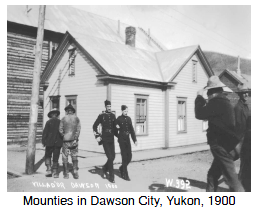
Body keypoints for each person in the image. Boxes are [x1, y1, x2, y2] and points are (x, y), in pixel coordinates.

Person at [195, 76, 244, 192]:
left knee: (232, 180)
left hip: (221, 146)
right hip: (229, 146)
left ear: (212, 92)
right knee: (212, 175)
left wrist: (199, 97)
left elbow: (199, 114)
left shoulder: (216, 102)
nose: (207, 96)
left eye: (208, 93)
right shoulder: (225, 103)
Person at [93, 100, 117, 183]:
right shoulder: (102, 116)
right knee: (110, 157)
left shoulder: (113, 116)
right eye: (108, 107)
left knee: (113, 156)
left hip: (111, 139)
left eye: (110, 106)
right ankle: (111, 177)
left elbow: (115, 128)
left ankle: (104, 168)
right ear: (105, 107)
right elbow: (94, 126)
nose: (109, 108)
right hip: (105, 139)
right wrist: (97, 136)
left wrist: (120, 136)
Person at [234, 83, 251, 191]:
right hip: (243, 140)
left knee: (247, 165)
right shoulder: (238, 108)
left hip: (248, 139)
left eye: (247, 93)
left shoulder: (246, 106)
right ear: (240, 95)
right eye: (243, 93)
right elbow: (238, 127)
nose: (246, 95)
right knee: (245, 165)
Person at [116, 105, 138, 181]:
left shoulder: (129, 119)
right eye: (125, 111)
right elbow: (114, 127)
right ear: (122, 111)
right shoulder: (119, 119)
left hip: (127, 139)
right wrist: (116, 128)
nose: (126, 112)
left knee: (130, 156)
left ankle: (121, 168)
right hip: (121, 139)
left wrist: (134, 140)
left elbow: (131, 130)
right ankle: (125, 175)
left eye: (127, 111)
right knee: (124, 157)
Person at [59, 104, 81, 179]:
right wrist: (75, 138)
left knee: (65, 156)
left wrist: (63, 136)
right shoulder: (77, 118)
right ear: (73, 111)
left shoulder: (63, 119)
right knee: (74, 155)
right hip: (74, 140)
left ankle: (66, 173)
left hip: (66, 140)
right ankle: (75, 172)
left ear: (67, 111)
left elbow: (60, 129)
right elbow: (78, 129)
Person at [42, 108, 63, 178]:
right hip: (58, 143)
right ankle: (55, 172)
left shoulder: (48, 122)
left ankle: (48, 170)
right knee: (56, 157)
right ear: (56, 115)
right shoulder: (60, 122)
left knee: (48, 155)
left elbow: (45, 133)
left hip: (49, 142)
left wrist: (43, 141)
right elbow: (62, 132)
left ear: (51, 115)